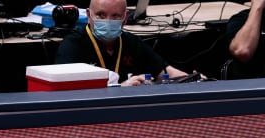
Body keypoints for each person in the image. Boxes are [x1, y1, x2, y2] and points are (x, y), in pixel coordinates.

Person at [55, 0, 191, 86]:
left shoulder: (132, 42)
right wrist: (121, 90)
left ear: (125, 18)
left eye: (115, 16)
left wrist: (198, 80)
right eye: (101, 15)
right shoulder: (72, 47)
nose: (108, 21)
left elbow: (168, 73)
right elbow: (67, 95)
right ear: (89, 15)